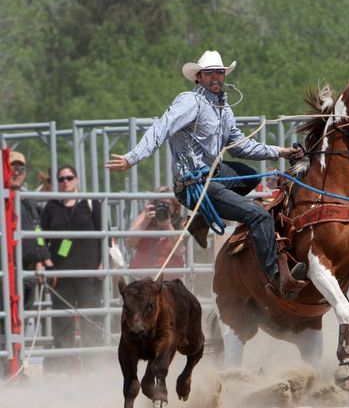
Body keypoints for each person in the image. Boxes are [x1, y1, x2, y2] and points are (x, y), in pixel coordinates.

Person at [106, 49, 306, 298]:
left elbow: (242, 146)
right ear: (198, 77)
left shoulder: (224, 107)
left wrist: (282, 151)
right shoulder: (190, 102)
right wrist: (131, 157)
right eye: (210, 72)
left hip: (212, 173)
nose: (216, 77)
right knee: (258, 216)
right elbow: (161, 128)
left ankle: (201, 218)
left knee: (252, 176)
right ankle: (275, 278)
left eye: (219, 72)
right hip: (194, 182)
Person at [41, 165, 104, 354]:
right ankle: (63, 367)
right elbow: (40, 236)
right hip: (61, 275)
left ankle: (93, 365)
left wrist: (102, 265)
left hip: (89, 273)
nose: (65, 182)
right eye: (61, 179)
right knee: (62, 323)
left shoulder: (91, 203)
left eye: (69, 178)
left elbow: (105, 235)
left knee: (91, 321)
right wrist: (47, 263)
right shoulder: (51, 206)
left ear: (76, 179)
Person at [9, 151, 53, 310]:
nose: (17, 172)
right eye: (12, 167)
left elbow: (38, 232)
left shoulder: (28, 201)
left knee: (25, 314)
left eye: (21, 169)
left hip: (32, 268)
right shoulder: (10, 199)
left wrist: (43, 258)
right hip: (9, 271)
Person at [126, 186, 186, 280]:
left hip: (169, 280)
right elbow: (129, 242)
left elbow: (180, 250)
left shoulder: (180, 222)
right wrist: (145, 221)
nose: (163, 207)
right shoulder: (146, 216)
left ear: (175, 207)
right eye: (160, 203)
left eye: (167, 204)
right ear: (153, 204)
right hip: (141, 278)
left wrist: (167, 226)